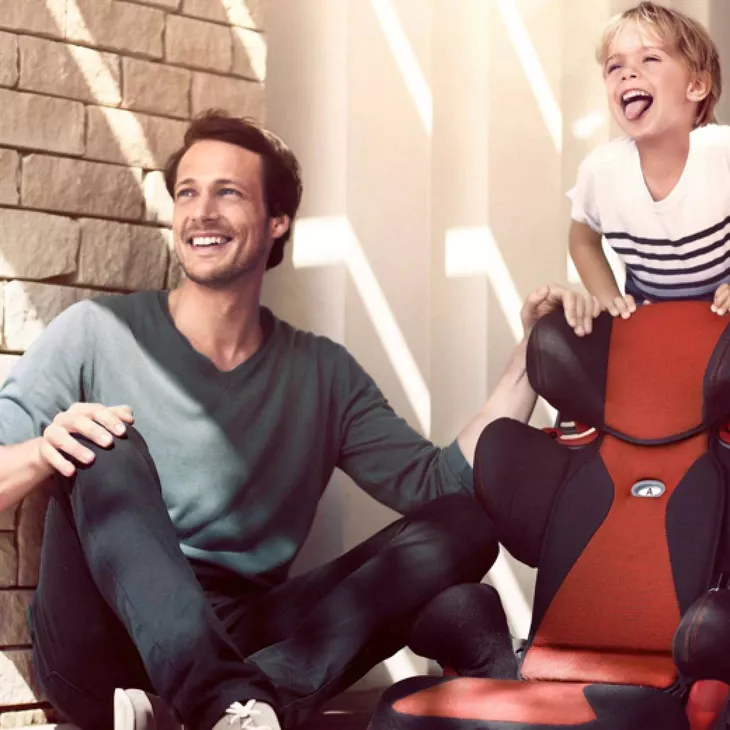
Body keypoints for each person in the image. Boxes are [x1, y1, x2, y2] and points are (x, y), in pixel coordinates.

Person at [0, 111, 599, 730]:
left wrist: (532, 356)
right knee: (106, 439)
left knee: (466, 523)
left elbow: (441, 485)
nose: (201, 211)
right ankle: (221, 705)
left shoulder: (321, 372)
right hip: (100, 646)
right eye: (187, 193)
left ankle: (251, 703)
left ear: (277, 219)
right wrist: (45, 450)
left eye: (227, 192)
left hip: (242, 635)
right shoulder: (95, 333)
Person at [568, 1, 730, 318]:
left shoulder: (722, 152)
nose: (628, 73)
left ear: (696, 86)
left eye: (650, 58)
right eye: (614, 67)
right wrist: (609, 298)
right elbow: (582, 241)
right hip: (652, 326)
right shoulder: (601, 172)